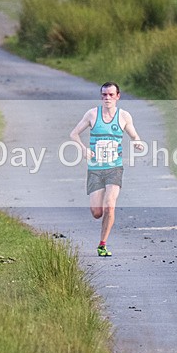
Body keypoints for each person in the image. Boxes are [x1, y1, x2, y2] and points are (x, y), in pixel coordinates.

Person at [69, 82, 144, 256]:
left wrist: (137, 142)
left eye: (111, 95)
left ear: (118, 96)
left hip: (114, 168)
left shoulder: (124, 116)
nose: (107, 98)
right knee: (97, 212)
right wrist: (83, 149)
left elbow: (134, 135)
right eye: (104, 95)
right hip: (95, 169)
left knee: (110, 206)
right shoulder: (92, 114)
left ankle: (102, 244)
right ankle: (101, 214)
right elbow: (73, 134)